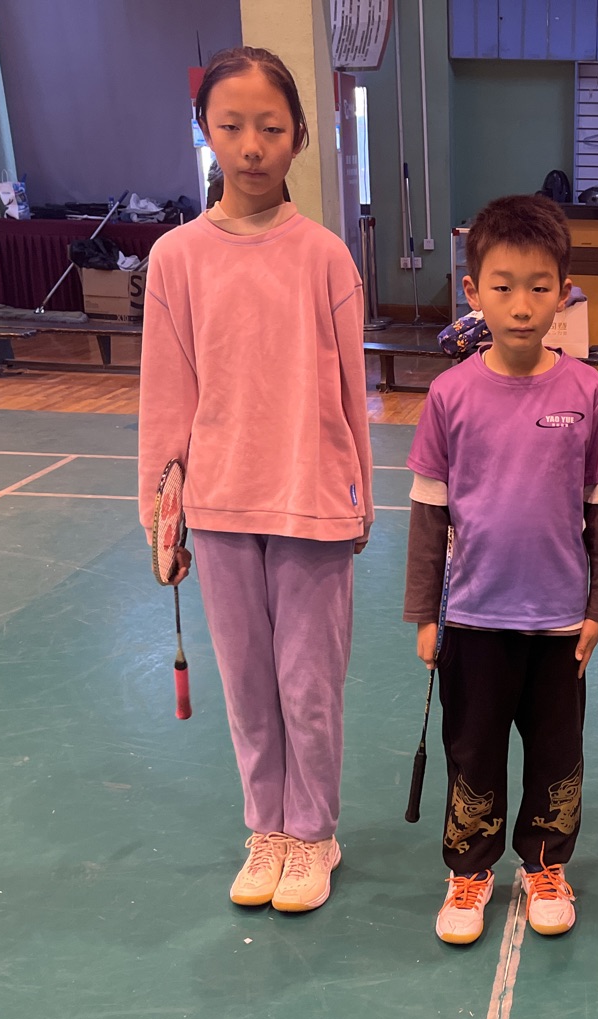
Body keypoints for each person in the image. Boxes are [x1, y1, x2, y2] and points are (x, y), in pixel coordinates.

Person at [138, 46, 372, 913]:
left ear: (299, 136)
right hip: (220, 504)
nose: (250, 146)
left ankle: (313, 833)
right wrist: (162, 518)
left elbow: (351, 392)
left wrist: (359, 500)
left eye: (270, 128)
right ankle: (267, 827)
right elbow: (167, 394)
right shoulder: (176, 259)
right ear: (205, 130)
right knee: (246, 685)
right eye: (231, 125)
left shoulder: (325, 257)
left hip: (312, 501)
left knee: (308, 687)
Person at [405, 195, 598, 945]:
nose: (523, 305)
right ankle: (470, 871)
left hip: (559, 623)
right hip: (472, 619)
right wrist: (425, 613)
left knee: (556, 754)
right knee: (472, 750)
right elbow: (429, 513)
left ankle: (545, 864)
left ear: (564, 291)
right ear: (474, 292)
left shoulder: (587, 392)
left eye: (540, 286)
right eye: (503, 287)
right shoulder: (449, 395)